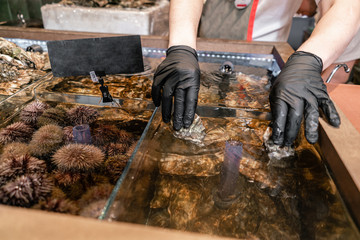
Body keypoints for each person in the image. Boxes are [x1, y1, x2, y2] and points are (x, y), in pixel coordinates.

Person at [151, 0, 360, 146]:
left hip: (266, 69)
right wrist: (181, 46)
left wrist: (310, 58)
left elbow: (347, 5)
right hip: (203, 62)